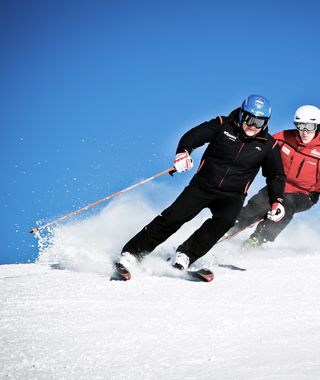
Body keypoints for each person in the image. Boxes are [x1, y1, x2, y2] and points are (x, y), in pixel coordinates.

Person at [115, 95, 286, 276]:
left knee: (224, 222)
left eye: (259, 122)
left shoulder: (269, 145)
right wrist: (183, 153)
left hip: (233, 195)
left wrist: (277, 201)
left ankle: (185, 254)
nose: (252, 125)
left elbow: (276, 175)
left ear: (266, 122)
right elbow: (193, 136)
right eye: (249, 118)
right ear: (242, 113)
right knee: (174, 217)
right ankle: (132, 253)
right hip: (203, 186)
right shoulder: (222, 124)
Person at [227, 105, 320, 249]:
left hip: (305, 194)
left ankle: (258, 239)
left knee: (286, 205)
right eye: (300, 126)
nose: (304, 131)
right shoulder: (284, 138)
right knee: (256, 205)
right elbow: (262, 144)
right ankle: (228, 229)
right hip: (278, 185)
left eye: (310, 126)